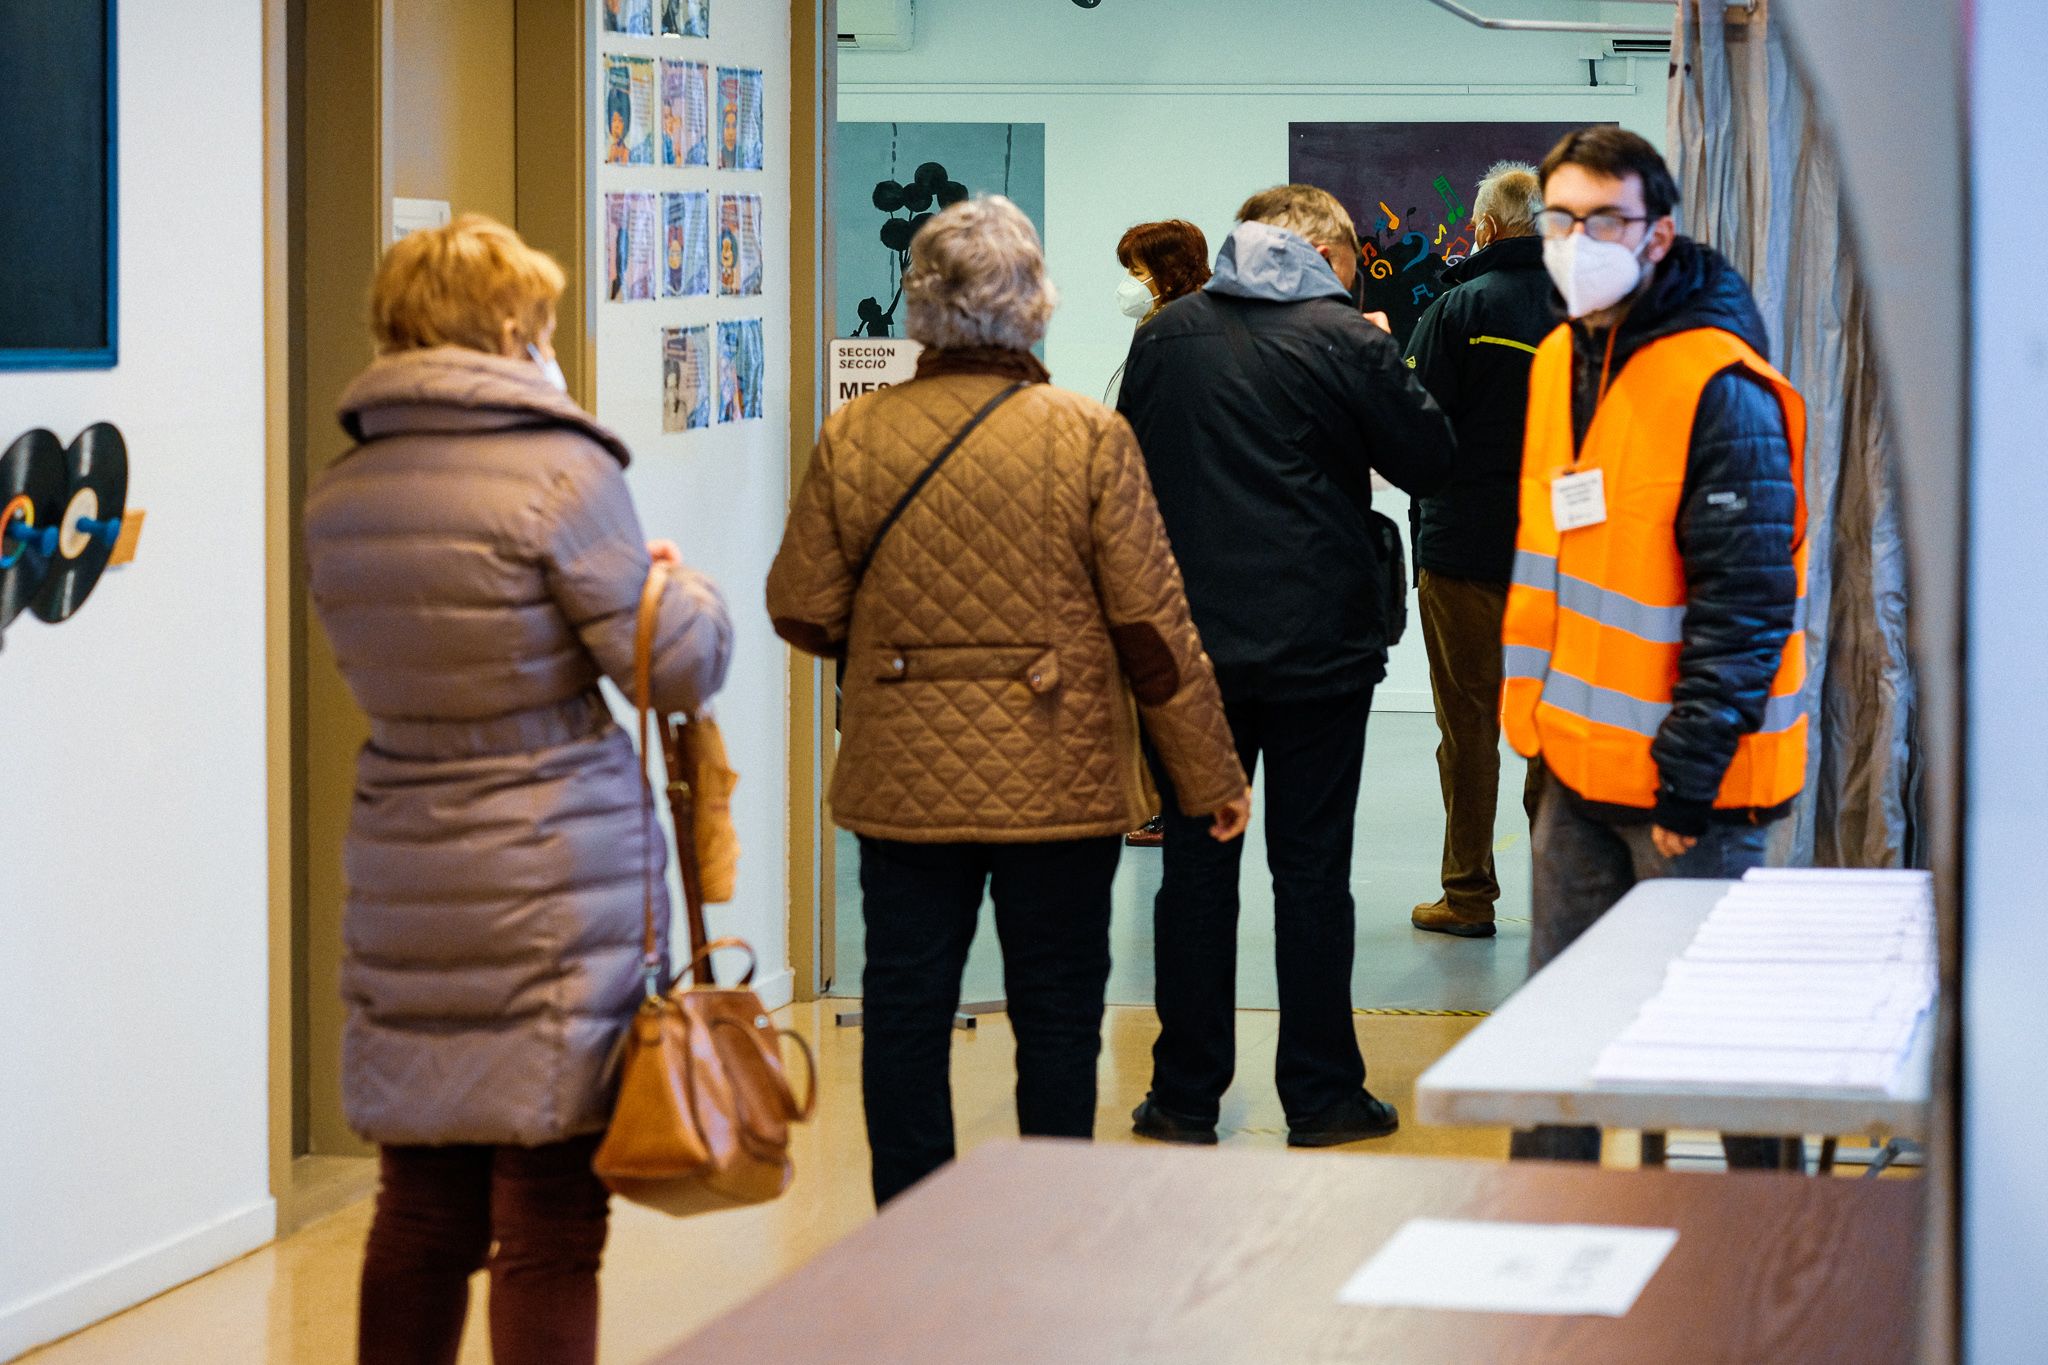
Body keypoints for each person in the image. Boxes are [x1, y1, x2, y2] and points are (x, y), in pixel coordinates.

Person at [304, 215, 733, 1365]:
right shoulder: (562, 471)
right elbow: (673, 669)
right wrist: (678, 585)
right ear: (509, 327)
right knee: (547, 1220)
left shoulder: (340, 488)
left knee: (420, 1209)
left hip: (404, 855)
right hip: (552, 865)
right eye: (540, 321)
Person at [767, 196, 1251, 1206]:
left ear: (918, 307)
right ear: (1033, 307)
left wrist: (894, 644)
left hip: (902, 775)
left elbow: (802, 612)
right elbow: (1151, 632)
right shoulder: (1083, 434)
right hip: (1057, 770)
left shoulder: (856, 435)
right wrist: (1207, 772)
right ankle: (1040, 1225)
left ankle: (908, 1226)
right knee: (1059, 1010)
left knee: (904, 1005)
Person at [1117, 184, 1457, 1148]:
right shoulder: (1346, 338)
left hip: (1194, 652)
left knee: (1194, 872)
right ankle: (1319, 1094)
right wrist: (1382, 359)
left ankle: (1183, 1096)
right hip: (1320, 649)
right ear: (1330, 254)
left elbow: (1133, 475)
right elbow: (1430, 459)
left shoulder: (1165, 337)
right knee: (1313, 874)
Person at [1505, 127, 1809, 1170]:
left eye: (1602, 220)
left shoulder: (1717, 383)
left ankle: (1768, 1265)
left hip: (1690, 792)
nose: (1575, 239)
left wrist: (1686, 783)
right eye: (1560, 218)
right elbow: (1562, 563)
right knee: (1555, 1035)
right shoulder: (1559, 359)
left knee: (1717, 1050)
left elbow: (1746, 603)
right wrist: (1539, 739)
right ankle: (1542, 1249)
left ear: (1657, 233)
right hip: (1574, 766)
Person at [1400, 162, 1553, 939]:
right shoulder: (1587, 314)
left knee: (1469, 726)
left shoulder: (1458, 308)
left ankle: (1467, 896)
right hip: (1563, 559)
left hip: (1463, 552)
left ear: (1487, 227)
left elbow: (1414, 434)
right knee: (1555, 730)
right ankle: (1564, 895)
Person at [1107, 217, 1214, 846]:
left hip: (1167, 528)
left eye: (1137, 271)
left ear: (1165, 273)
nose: (1127, 285)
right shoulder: (1195, 327)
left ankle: (1162, 805)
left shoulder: (1168, 335)